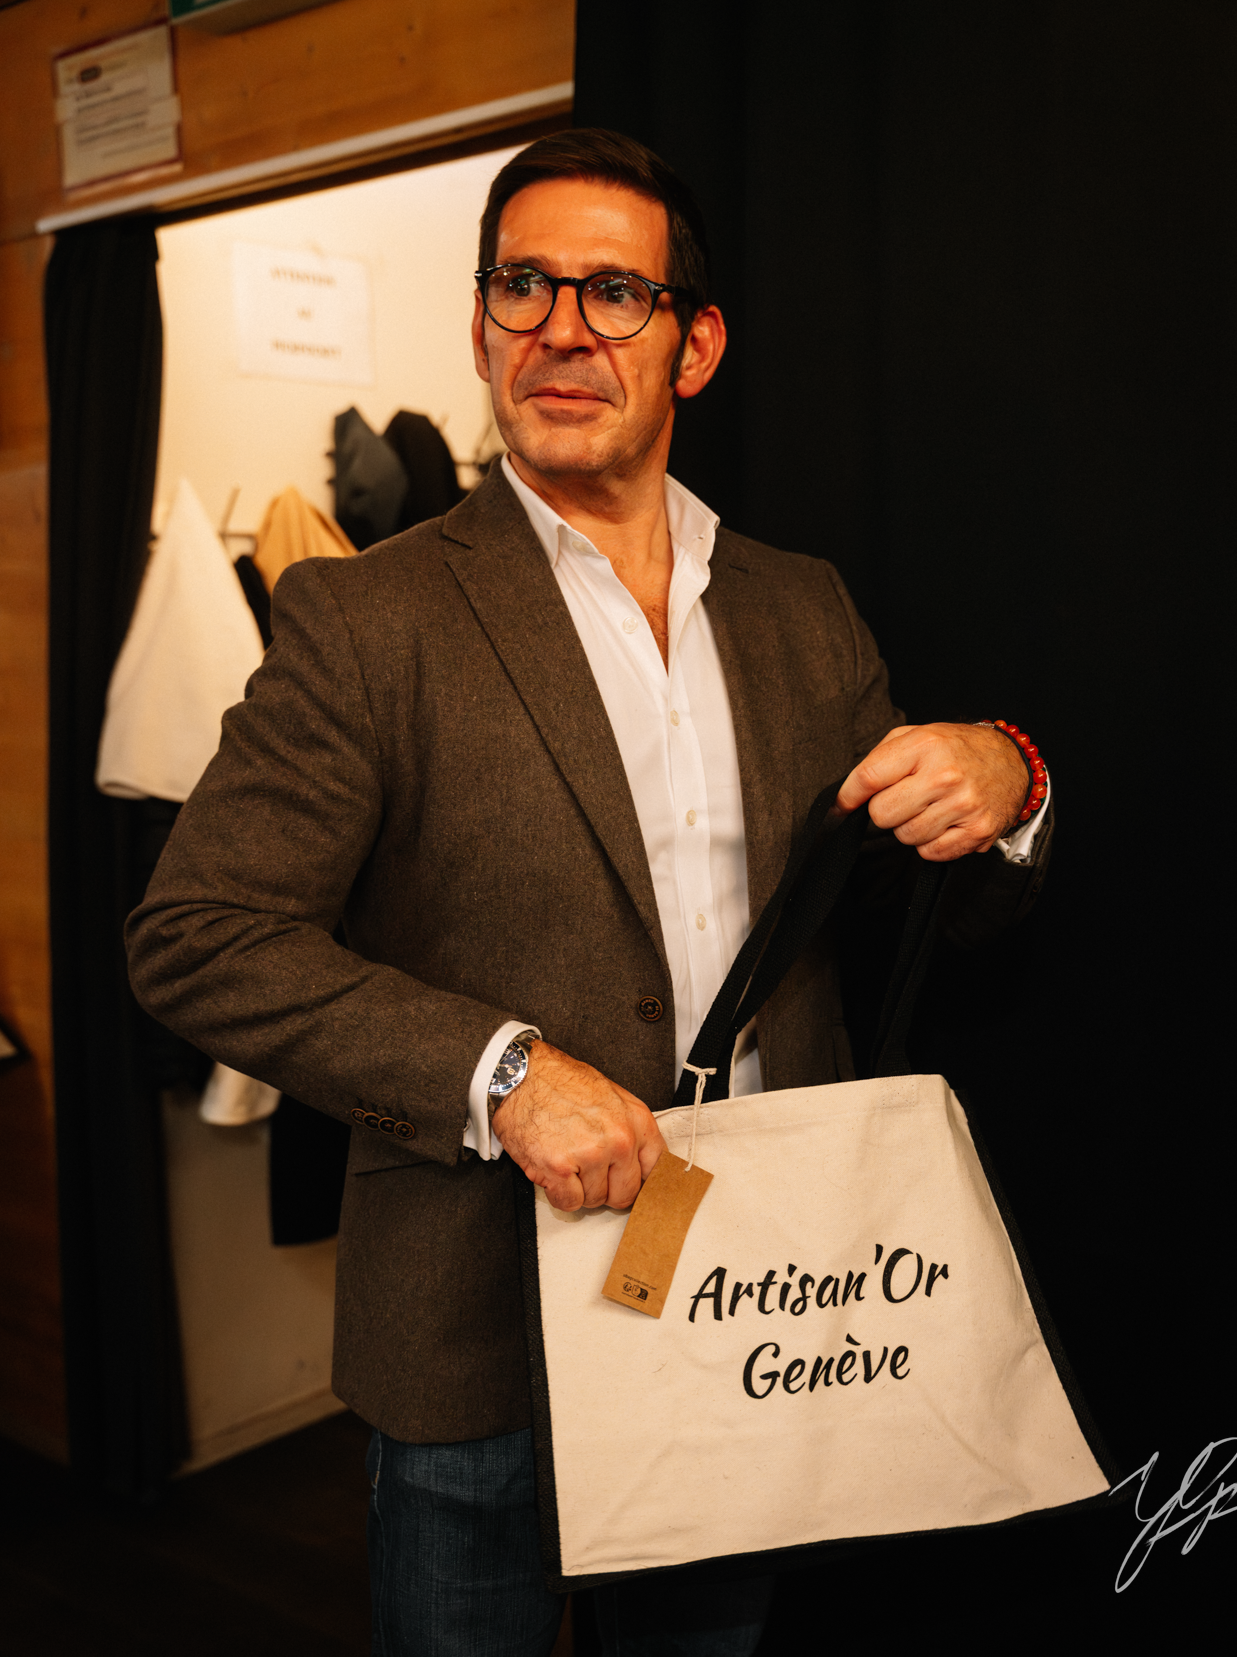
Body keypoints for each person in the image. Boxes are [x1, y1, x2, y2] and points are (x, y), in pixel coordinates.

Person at [127, 129, 1050, 1657]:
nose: (561, 327)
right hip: (474, 1324)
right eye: (524, 285)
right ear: (479, 322)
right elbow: (197, 938)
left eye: (615, 292)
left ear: (697, 345)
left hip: (755, 1295)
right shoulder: (364, 617)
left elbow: (906, 918)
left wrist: (1005, 788)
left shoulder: (802, 608)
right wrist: (501, 1074)